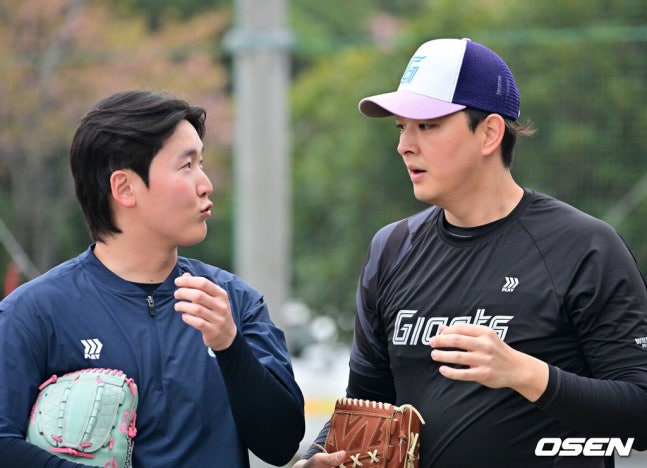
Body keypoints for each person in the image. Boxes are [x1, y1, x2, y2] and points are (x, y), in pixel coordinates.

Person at [295, 38, 647, 467]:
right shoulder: (391, 248)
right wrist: (317, 457)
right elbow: (367, 402)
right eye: (401, 127)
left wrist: (525, 373)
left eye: (427, 126)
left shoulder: (584, 247)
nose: (405, 145)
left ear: (490, 134)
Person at [0, 90, 305, 467]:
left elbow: (282, 444)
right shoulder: (32, 313)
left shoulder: (233, 301)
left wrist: (230, 345)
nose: (205, 184)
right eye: (186, 165)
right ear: (124, 188)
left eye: (201, 163)